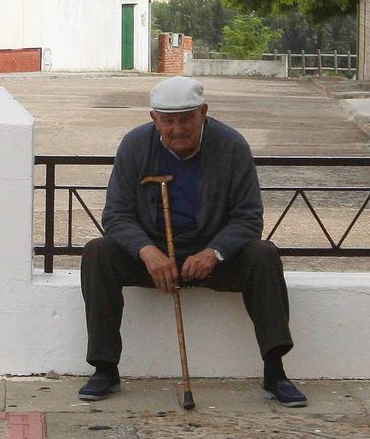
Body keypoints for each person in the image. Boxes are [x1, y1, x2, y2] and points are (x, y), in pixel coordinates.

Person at [77, 76, 306, 407]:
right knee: (97, 252)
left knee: (263, 255)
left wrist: (214, 252)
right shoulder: (134, 146)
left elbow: (249, 217)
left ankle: (275, 371)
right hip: (155, 260)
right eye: (168, 121)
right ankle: (104, 368)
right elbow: (116, 215)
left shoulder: (231, 146)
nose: (177, 128)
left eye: (186, 119)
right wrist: (147, 252)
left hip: (210, 258)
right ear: (154, 118)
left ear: (204, 113)